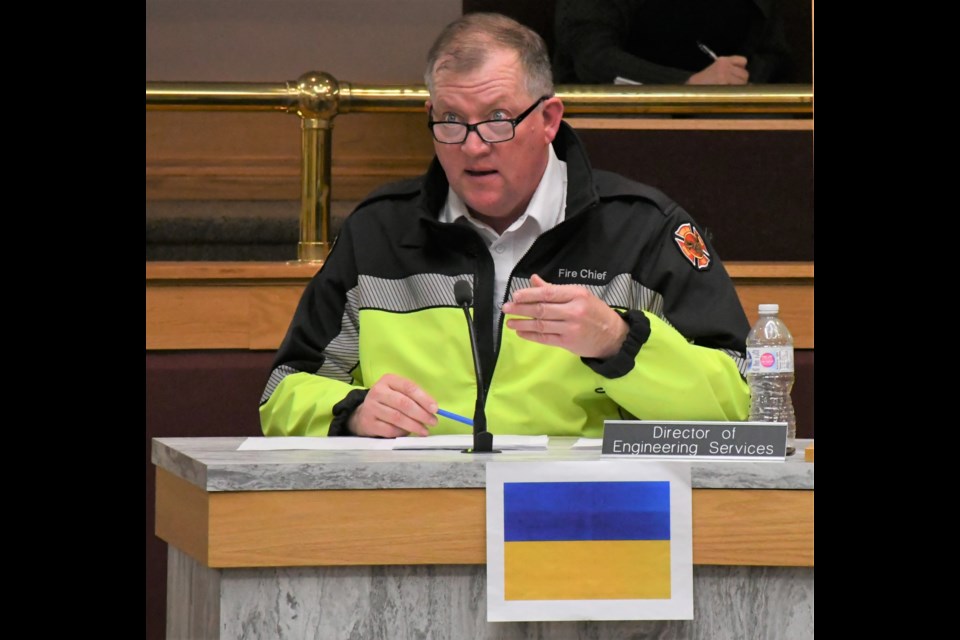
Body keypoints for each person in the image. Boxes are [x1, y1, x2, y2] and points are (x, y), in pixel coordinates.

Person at [259, 12, 751, 439]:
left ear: (549, 119)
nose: (473, 146)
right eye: (451, 120)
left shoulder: (641, 231)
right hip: (416, 517)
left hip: (583, 517)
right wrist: (353, 411)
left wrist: (619, 342)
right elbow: (283, 390)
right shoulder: (379, 232)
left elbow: (739, 401)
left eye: (497, 118)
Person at [552, 0, 792, 85]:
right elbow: (592, 59)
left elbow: (773, 53)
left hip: (733, 105)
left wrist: (744, 81)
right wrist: (687, 84)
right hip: (624, 111)